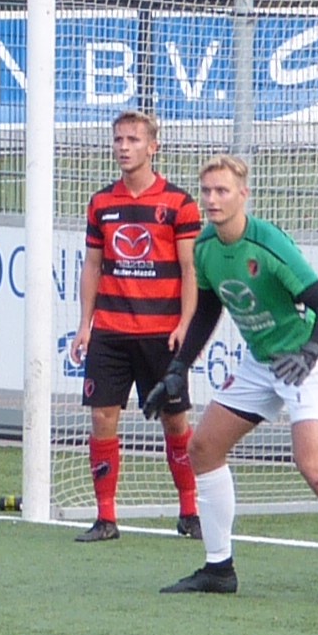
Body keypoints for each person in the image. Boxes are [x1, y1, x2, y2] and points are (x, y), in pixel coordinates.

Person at [152, 156, 318, 606]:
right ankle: (219, 568)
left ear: (244, 195)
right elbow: (207, 309)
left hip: (309, 359)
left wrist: (310, 353)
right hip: (262, 363)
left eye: (222, 191)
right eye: (206, 191)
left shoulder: (268, 244)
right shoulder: (204, 247)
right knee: (202, 448)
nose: (212, 200)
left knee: (314, 466)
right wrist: (179, 367)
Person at [73, 109, 204, 543]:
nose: (123, 147)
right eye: (118, 139)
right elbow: (93, 266)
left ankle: (189, 511)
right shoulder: (101, 203)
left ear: (153, 146)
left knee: (174, 421)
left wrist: (186, 325)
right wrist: (84, 326)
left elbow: (190, 270)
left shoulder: (179, 204)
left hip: (161, 332)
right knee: (102, 417)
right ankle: (106, 518)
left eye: (132, 139)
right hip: (110, 331)